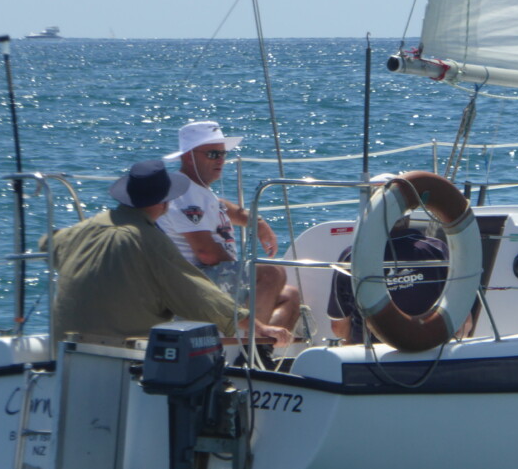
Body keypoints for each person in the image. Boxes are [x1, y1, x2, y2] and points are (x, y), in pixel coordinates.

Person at [44, 159, 292, 347]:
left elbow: (48, 243)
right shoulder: (148, 240)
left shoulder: (79, 231)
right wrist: (258, 328)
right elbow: (199, 294)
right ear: (165, 203)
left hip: (63, 347)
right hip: (119, 350)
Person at [158, 121, 301, 336]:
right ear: (189, 156)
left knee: (290, 295)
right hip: (192, 281)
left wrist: (257, 222)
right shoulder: (184, 191)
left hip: (210, 277)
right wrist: (240, 272)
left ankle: (257, 354)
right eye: (213, 154)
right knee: (271, 273)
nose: (221, 161)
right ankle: (250, 345)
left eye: (223, 154)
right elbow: (206, 254)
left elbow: (220, 207)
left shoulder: (198, 190)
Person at [327, 216, 450, 345]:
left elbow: (339, 328)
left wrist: (350, 345)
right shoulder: (436, 249)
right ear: (407, 217)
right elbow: (463, 318)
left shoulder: (352, 256)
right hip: (430, 348)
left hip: (370, 353)